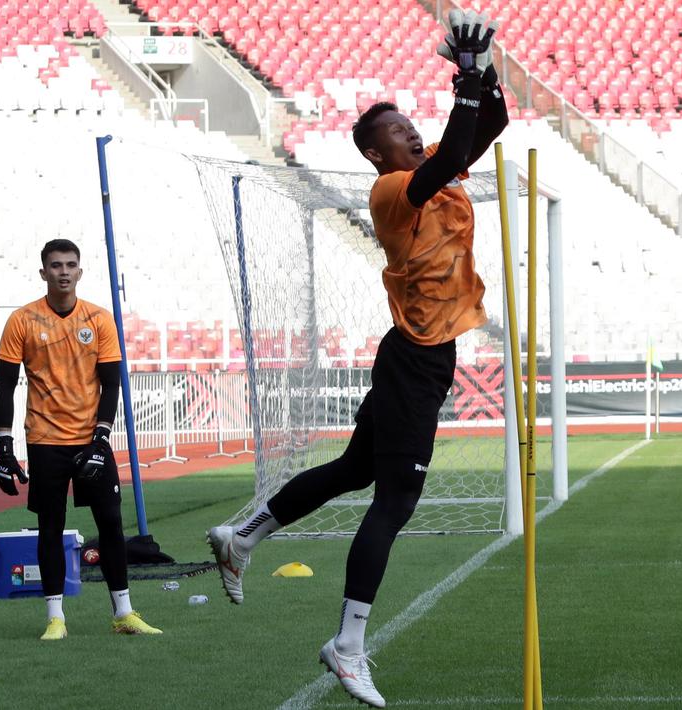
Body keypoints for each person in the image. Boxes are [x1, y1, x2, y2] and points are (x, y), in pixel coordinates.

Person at [205, 10, 506, 707]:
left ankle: (243, 534)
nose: (411, 132)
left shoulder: (434, 170)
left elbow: (486, 128)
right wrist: (463, 86)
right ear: (378, 154)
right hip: (416, 359)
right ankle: (346, 645)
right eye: (399, 131)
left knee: (356, 468)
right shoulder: (392, 190)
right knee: (394, 498)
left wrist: (481, 77)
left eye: (409, 125)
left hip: (416, 355)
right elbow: (459, 137)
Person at [0, 238, 161, 640]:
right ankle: (56, 618)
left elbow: (111, 385)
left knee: (110, 523)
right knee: (51, 527)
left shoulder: (100, 320)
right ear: (43, 272)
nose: (63, 271)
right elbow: (5, 386)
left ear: (80, 272)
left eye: (70, 265)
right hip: (46, 439)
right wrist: (3, 445)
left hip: (91, 440)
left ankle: (123, 612)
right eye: (55, 265)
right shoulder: (22, 320)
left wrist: (101, 438)